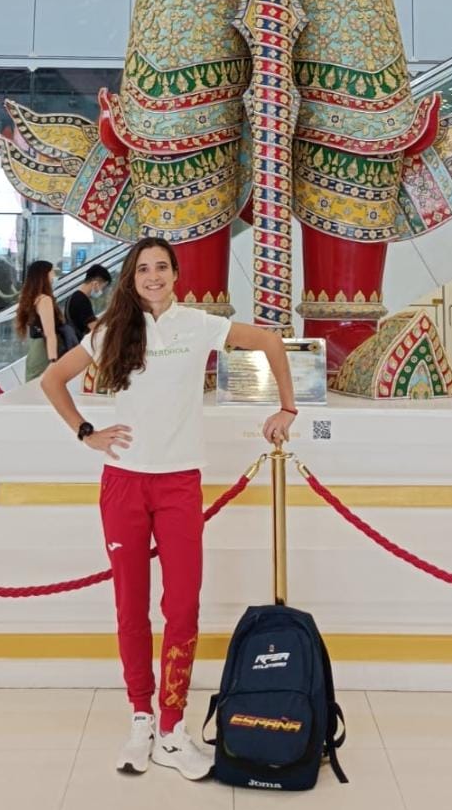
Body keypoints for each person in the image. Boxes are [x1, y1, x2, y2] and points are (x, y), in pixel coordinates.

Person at [41, 236, 297, 780]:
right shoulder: (111, 331)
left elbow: (271, 342)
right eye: (143, 269)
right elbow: (52, 379)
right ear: (131, 279)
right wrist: (86, 431)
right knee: (131, 608)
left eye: (161, 267)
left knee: (181, 608)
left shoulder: (199, 325)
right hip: (124, 484)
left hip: (180, 485)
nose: (153, 276)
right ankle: (141, 717)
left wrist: (287, 408)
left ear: (176, 274)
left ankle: (172, 728)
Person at [16, 260, 77, 381]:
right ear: (44, 275)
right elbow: (50, 334)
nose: (54, 276)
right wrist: (53, 360)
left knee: (33, 385)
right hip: (44, 351)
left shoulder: (32, 298)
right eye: (52, 272)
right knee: (42, 385)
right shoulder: (44, 300)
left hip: (35, 349)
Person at [65, 263, 112, 342]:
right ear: (95, 284)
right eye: (102, 287)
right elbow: (95, 328)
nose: (101, 291)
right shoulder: (82, 301)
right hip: (80, 342)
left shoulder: (73, 297)